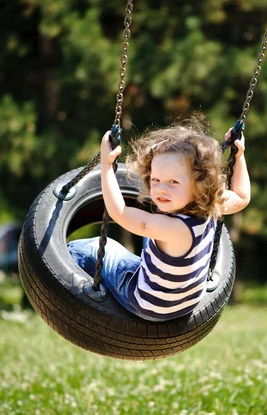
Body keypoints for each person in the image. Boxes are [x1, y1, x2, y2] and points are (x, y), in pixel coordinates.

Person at [68, 116, 250, 322]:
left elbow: (119, 213)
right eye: (155, 180)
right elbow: (242, 197)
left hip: (147, 303)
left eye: (173, 182)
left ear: (200, 184)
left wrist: (106, 165)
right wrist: (240, 155)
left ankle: (64, 281)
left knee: (93, 248)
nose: (161, 188)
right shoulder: (213, 206)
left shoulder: (172, 228)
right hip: (185, 304)